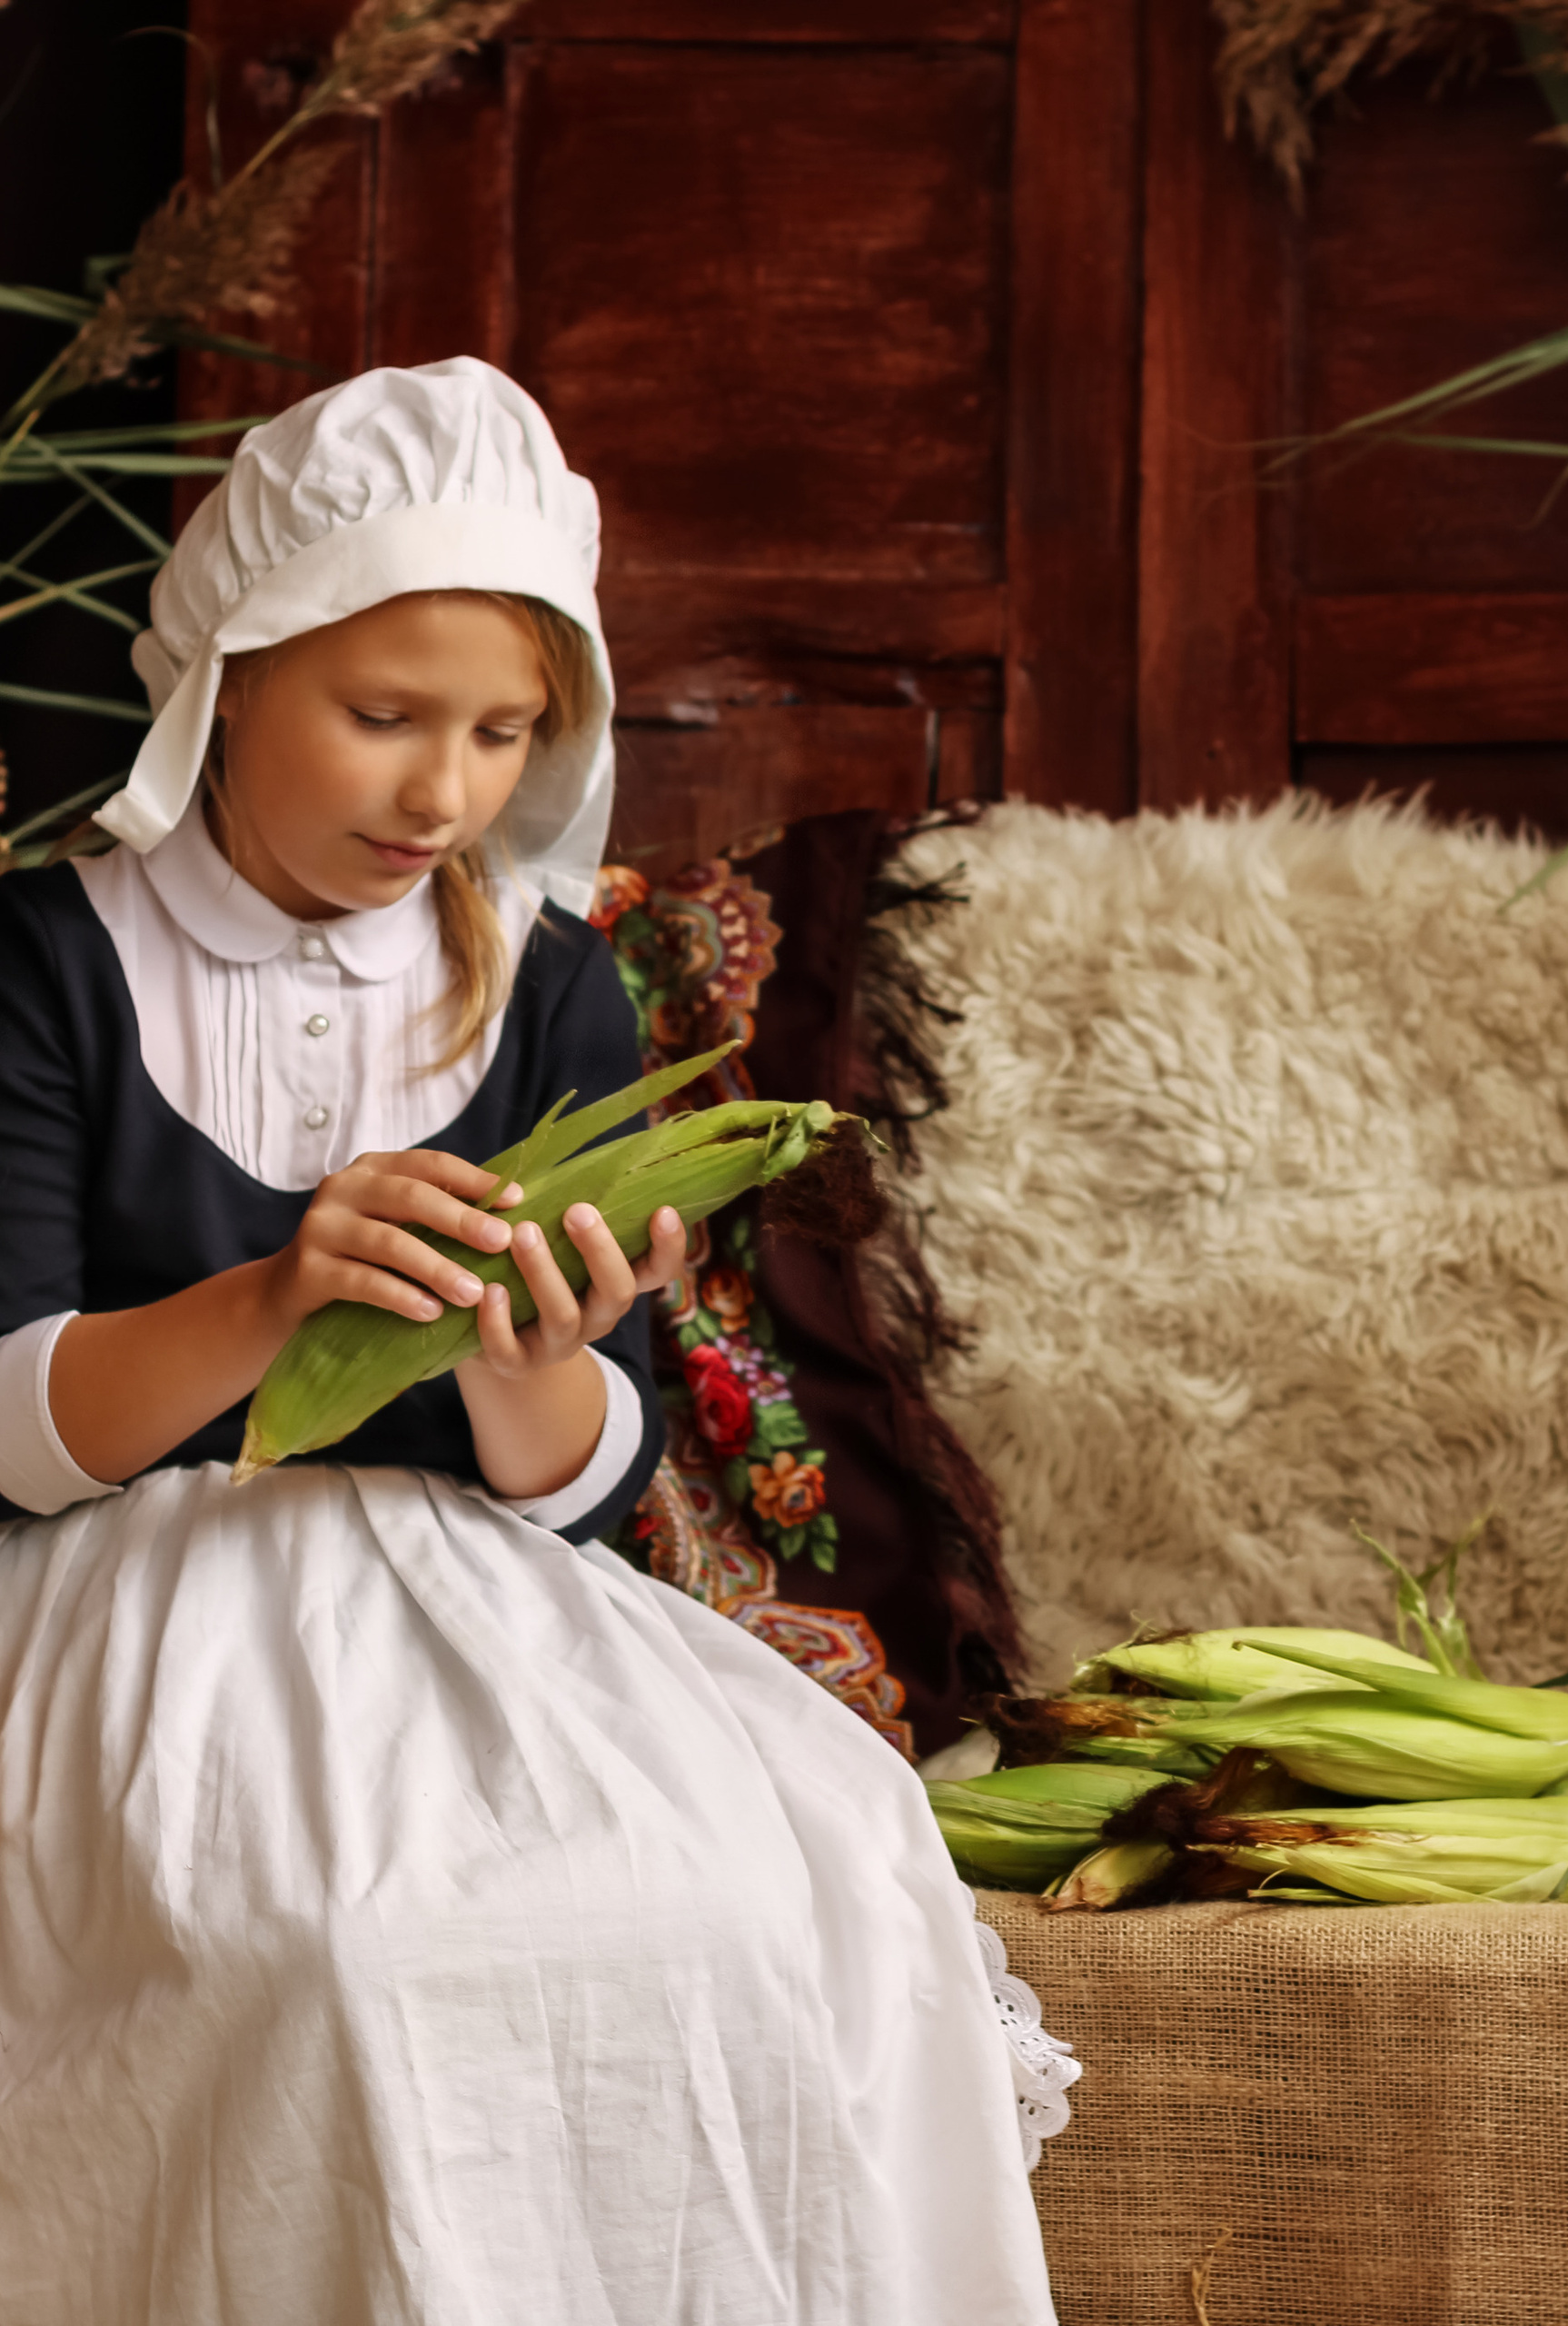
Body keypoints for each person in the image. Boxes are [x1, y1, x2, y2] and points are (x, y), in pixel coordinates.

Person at [0, 358, 1061, 2323]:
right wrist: (276, 1296)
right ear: (228, 666)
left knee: (776, 1883)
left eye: (502, 733)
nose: (444, 793)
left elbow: (589, 1476)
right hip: (133, 1602)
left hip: (477, 1611)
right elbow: (23, 1422)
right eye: (383, 717)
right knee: (334, 1950)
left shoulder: (553, 987)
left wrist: (527, 1358)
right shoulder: (53, 960)